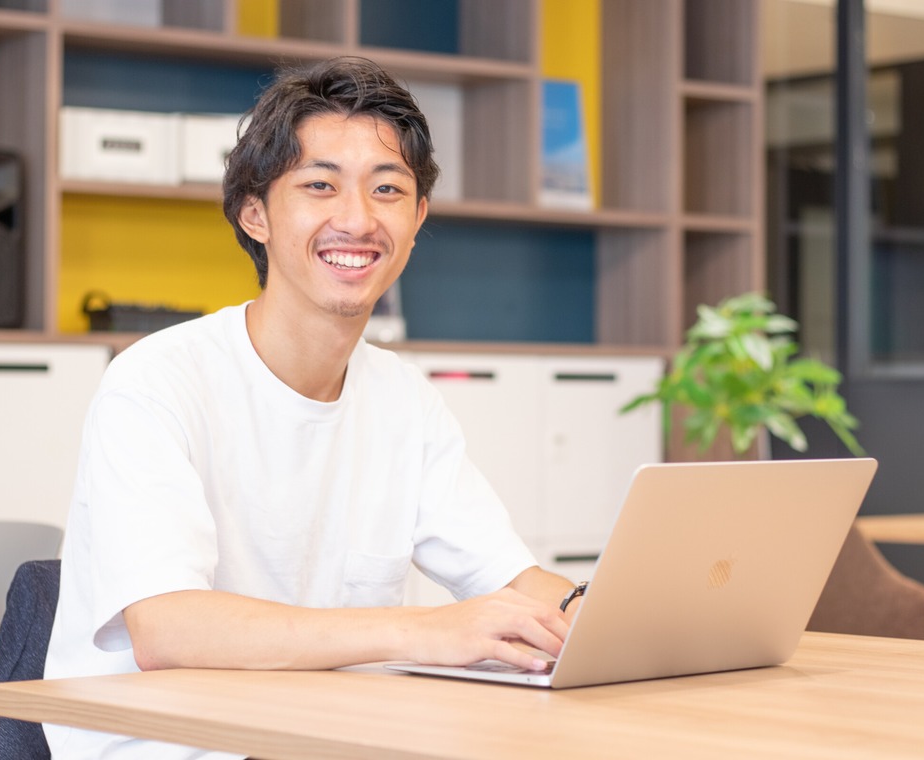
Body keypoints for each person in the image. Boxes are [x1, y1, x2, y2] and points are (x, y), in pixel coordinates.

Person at [43, 56, 583, 759]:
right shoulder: (157, 382)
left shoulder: (404, 402)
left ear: (417, 220)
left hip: (326, 734)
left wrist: (602, 617)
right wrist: (423, 630)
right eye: (320, 186)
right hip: (164, 746)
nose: (356, 219)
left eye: (388, 189)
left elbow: (513, 582)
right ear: (256, 213)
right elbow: (165, 628)